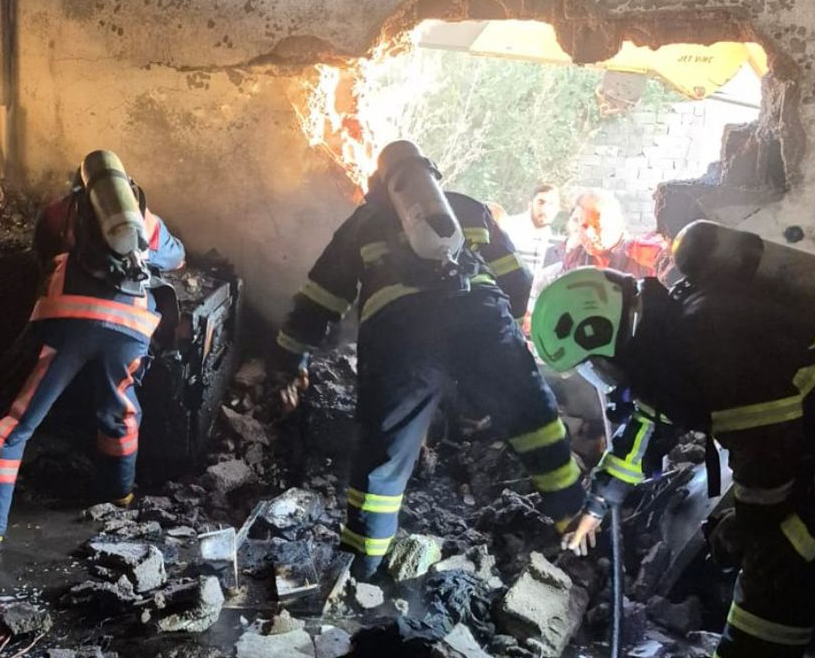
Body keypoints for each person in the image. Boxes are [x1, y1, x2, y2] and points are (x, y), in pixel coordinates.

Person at [272, 140, 585, 579]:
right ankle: (579, 531)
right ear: (433, 175)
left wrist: (292, 358)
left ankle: (363, 567)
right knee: (536, 422)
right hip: (481, 318)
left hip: (400, 334)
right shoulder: (469, 208)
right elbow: (518, 281)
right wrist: (504, 341)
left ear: (380, 183)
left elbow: (320, 298)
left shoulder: (364, 220)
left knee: (383, 458)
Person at [531, 266, 815, 658]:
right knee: (787, 545)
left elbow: (767, 465)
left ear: (601, 334)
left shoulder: (711, 341)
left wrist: (746, 530)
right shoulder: (669, 342)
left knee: (785, 551)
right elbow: (645, 428)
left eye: (592, 367)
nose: (600, 379)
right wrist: (597, 504)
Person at [0, 150, 185, 552]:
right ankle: (117, 499)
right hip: (128, 329)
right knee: (120, 412)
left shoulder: (61, 211)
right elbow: (176, 257)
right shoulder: (143, 219)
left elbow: (40, 252)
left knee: (19, 420)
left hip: (65, 325)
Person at [561, 189, 662, 278]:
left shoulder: (645, 257)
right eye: (584, 226)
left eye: (597, 227)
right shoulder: (575, 258)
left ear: (618, 223)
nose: (589, 235)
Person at [500, 183, 562, 276]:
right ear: (530, 204)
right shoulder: (508, 227)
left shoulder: (556, 241)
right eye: (541, 202)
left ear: (557, 209)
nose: (545, 208)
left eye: (551, 204)